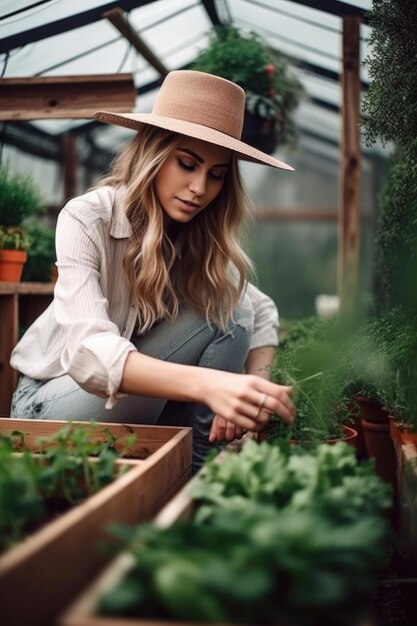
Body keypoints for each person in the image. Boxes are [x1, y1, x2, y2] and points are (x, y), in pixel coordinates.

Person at [10, 70, 295, 471]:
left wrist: (254, 388)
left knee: (232, 300)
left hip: (128, 409)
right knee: (229, 306)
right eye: (187, 164)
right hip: (48, 408)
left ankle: (199, 475)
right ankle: (198, 476)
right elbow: (91, 355)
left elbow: (259, 311)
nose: (200, 188)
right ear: (154, 155)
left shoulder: (194, 237)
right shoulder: (87, 217)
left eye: (216, 175)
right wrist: (215, 385)